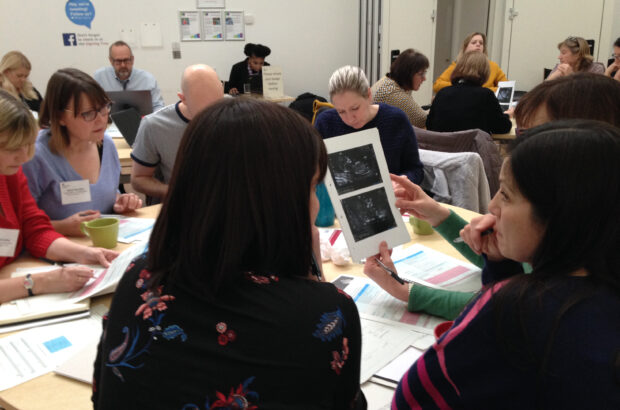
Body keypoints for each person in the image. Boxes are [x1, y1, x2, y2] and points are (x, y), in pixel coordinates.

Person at [92, 98, 365, 409]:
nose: (315, 205)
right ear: (277, 200)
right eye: (312, 188)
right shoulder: (324, 313)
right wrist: (314, 280)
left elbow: (103, 397)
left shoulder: (139, 281)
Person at [391, 120, 620, 408]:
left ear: (561, 214)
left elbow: (411, 398)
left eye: (507, 194)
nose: (492, 206)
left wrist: (414, 293)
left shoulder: (517, 310)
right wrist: (500, 266)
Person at [364, 73, 620, 321]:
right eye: (524, 136)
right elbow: (505, 261)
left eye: (537, 137)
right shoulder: (575, 233)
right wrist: (438, 214)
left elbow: (505, 305)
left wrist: (408, 292)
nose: (493, 204)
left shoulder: (577, 282)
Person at [0, 89, 118, 303]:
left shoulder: (10, 173)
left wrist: (84, 254)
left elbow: (35, 229)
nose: (24, 156)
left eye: (27, 145)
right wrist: (39, 282)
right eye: (11, 148)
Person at [22, 68, 142, 237]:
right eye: (88, 114)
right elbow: (19, 225)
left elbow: (106, 193)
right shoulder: (36, 155)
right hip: (56, 253)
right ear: (60, 116)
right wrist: (61, 227)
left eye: (104, 108)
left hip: (103, 246)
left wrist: (120, 201)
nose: (102, 119)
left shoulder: (106, 144)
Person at [315, 65, 424, 184]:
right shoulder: (325, 123)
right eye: (341, 111)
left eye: (355, 108)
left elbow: (416, 170)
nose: (350, 119)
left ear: (368, 95)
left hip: (391, 196)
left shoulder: (396, 120)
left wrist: (403, 181)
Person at [130, 64, 223, 203]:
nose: (211, 117)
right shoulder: (154, 125)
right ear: (183, 98)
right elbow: (138, 179)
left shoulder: (236, 113)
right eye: (203, 112)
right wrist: (175, 192)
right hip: (184, 206)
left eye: (217, 108)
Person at [426, 51, 512, 134]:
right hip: (473, 148)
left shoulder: (442, 93)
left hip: (440, 147)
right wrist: (507, 115)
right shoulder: (486, 95)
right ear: (485, 71)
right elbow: (502, 128)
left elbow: (429, 125)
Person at [94, 41, 165, 112]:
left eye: (126, 60)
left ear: (132, 59)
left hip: (142, 121)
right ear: (111, 61)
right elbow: (94, 105)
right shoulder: (100, 77)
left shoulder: (147, 79)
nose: (123, 65)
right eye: (118, 61)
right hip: (110, 121)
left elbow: (158, 106)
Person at [371, 48, 430, 128]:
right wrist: (438, 104)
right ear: (408, 74)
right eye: (421, 74)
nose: (424, 78)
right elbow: (423, 120)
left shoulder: (390, 81)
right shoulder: (393, 93)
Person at [433, 32, 507, 93]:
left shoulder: (493, 66)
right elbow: (437, 85)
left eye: (481, 43)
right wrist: (460, 87)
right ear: (465, 48)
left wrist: (483, 90)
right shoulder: (457, 65)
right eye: (474, 42)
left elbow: (507, 88)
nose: (478, 45)